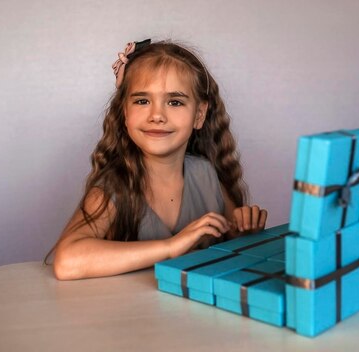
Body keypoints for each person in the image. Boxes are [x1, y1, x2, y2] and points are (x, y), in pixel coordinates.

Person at [48, 39, 268, 280]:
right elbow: (67, 261)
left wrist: (245, 231)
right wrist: (171, 247)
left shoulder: (205, 173)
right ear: (125, 113)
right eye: (142, 101)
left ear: (199, 114)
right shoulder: (115, 186)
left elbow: (232, 236)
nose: (157, 116)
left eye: (175, 102)